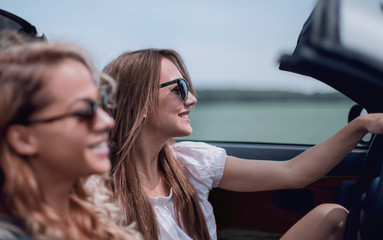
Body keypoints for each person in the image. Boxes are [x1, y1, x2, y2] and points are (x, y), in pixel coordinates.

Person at [102, 48, 383, 240]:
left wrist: (360, 126)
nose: (192, 99)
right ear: (138, 102)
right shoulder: (101, 195)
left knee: (332, 216)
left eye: (189, 87)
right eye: (180, 89)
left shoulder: (191, 164)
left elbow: (294, 172)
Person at [0, 39, 142, 240]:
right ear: (23, 139)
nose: (107, 121)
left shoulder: (89, 216)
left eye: (100, 102)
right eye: (85, 110)